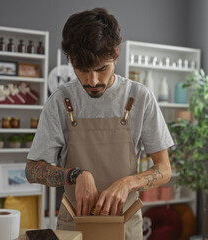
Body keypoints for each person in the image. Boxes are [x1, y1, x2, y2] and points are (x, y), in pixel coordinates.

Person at [25, 8, 173, 239]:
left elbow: (164, 169)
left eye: (101, 69)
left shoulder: (140, 98)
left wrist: (128, 183)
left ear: (116, 54)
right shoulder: (60, 102)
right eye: (82, 70)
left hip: (124, 225)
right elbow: (32, 169)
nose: (92, 81)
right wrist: (75, 175)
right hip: (74, 225)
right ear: (70, 60)